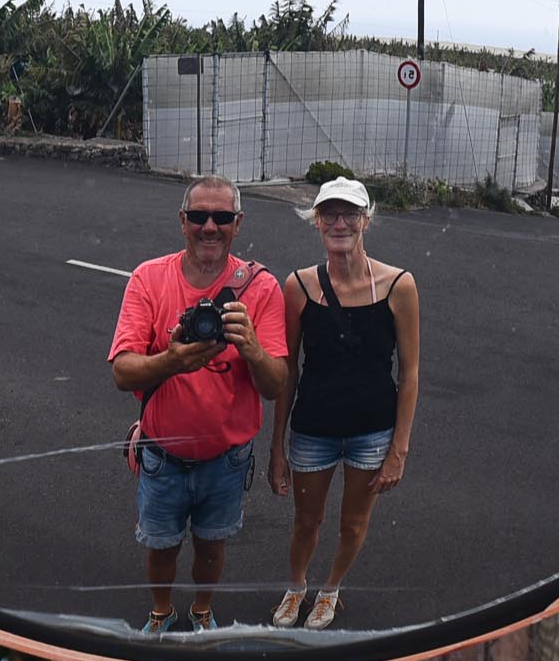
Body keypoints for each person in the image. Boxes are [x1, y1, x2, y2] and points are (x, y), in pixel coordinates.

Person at [108, 175, 290, 633]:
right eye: (199, 216)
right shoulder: (149, 278)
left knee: (213, 547)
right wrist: (171, 360)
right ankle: (161, 613)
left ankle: (203, 611)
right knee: (161, 547)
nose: (210, 227)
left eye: (222, 217)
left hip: (226, 461)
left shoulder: (261, 288)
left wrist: (251, 347)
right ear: (182, 221)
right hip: (163, 455)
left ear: (238, 223)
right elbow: (122, 371)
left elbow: (275, 384)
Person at [266, 176, 420, 628]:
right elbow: (287, 370)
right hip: (313, 428)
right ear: (315, 221)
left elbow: (410, 373)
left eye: (349, 213)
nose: (339, 223)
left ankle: (330, 589)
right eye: (329, 214)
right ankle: (297, 587)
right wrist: (277, 447)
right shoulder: (297, 286)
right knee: (306, 523)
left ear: (366, 220)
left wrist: (399, 449)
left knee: (353, 524)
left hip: (372, 431)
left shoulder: (400, 286)